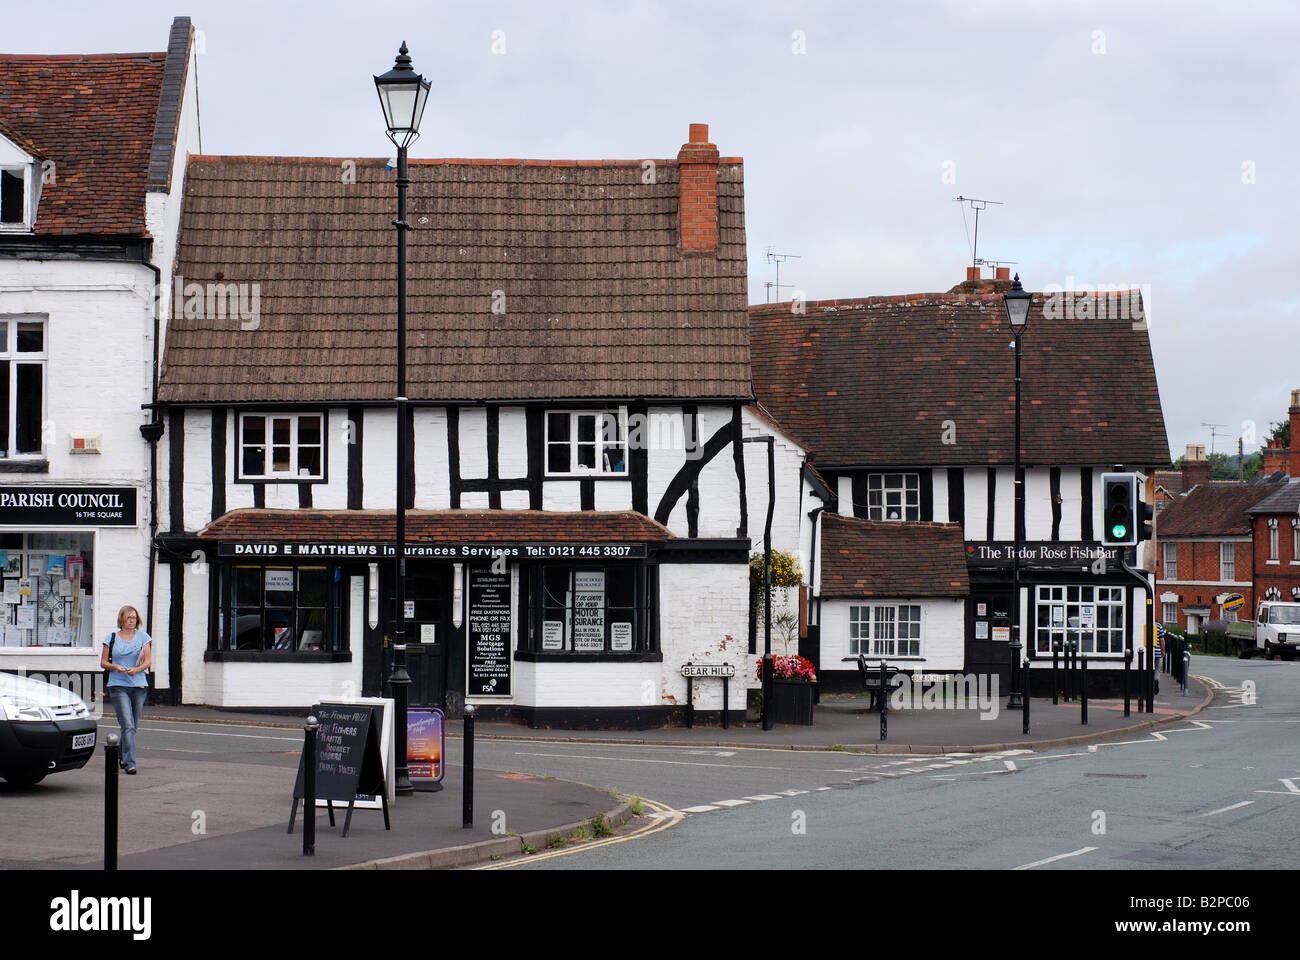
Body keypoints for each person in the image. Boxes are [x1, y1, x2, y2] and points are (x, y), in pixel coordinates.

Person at [100, 605, 151, 775]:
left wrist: (137, 670)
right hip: (118, 685)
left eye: (134, 618)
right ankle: (130, 763)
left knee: (132, 726)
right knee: (127, 725)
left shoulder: (143, 637)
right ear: (122, 619)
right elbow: (103, 663)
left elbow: (147, 661)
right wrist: (115, 666)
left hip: (139, 685)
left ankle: (121, 755)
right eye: (129, 618)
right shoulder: (112, 638)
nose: (132, 621)